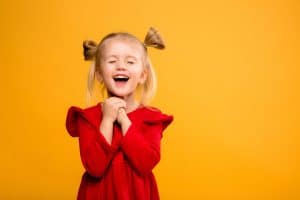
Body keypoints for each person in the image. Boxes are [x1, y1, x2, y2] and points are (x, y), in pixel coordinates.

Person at [65, 27, 173, 200]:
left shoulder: (152, 119)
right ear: (99, 74)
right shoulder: (88, 118)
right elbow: (94, 166)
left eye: (130, 62)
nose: (121, 66)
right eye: (112, 61)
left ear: (143, 75)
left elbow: (146, 163)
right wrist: (107, 120)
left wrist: (124, 120)